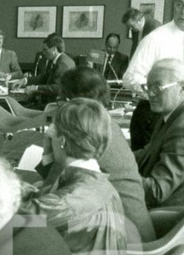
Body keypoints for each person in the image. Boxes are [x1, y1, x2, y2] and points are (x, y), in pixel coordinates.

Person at [20, 99, 128, 255]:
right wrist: (49, 145)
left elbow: (18, 216)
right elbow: (49, 196)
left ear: (62, 140)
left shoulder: (76, 195)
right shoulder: (92, 177)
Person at [59, 67, 155, 242]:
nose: (61, 106)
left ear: (76, 102)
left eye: (63, 100)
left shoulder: (88, 132)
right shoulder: (105, 124)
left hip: (122, 242)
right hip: (128, 227)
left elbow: (58, 193)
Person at [133, 59, 184, 210]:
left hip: (169, 215)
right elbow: (149, 152)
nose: (150, 93)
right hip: (175, 204)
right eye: (148, 86)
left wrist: (116, 174)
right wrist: (115, 159)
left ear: (182, 88)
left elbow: (157, 191)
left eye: (157, 87)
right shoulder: (181, 111)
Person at [14, 35, 75, 106]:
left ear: (54, 49)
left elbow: (57, 88)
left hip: (54, 105)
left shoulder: (62, 64)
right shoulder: (59, 60)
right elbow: (45, 77)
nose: (43, 53)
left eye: (45, 49)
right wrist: (24, 80)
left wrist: (36, 88)